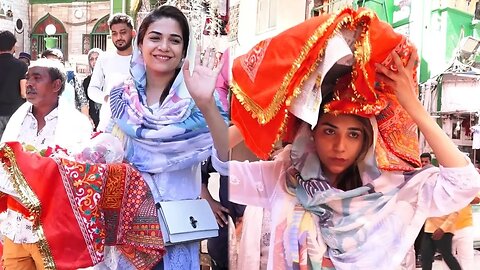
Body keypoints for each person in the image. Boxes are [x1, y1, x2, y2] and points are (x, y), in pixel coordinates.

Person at [198, 8, 480, 269]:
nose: (340, 146)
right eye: (329, 130)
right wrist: (267, 108)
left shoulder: (393, 191)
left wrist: (412, 104)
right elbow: (223, 163)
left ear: (366, 141)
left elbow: (465, 182)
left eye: (353, 134)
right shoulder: (283, 179)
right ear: (310, 134)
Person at [107, 5, 228, 270]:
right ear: (140, 44)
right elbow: (108, 152)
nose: (164, 46)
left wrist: (207, 104)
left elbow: (225, 157)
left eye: (175, 40)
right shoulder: (122, 96)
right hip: (129, 224)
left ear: (184, 50)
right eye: (155, 37)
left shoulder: (196, 98)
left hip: (176, 229)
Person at [0, 58, 92, 269]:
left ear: (56, 85)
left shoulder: (77, 124)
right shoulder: (17, 119)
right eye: (28, 78)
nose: (29, 83)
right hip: (16, 228)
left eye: (37, 78)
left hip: (53, 232)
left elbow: (80, 178)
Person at [88, 13, 135, 131]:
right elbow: (92, 89)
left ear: (133, 33)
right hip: (108, 121)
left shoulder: (142, 59)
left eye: (123, 32)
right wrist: (107, 98)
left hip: (136, 122)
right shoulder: (104, 58)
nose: (118, 37)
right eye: (114, 33)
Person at [40, 48, 90, 119]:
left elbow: (83, 102)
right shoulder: (39, 83)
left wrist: (85, 123)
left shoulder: (71, 78)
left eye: (54, 62)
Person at [0, 30, 27, 138]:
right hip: (15, 112)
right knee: (11, 147)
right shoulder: (21, 65)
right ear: (13, 47)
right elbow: (24, 93)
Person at [82, 48, 103, 129]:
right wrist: (88, 118)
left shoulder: (108, 78)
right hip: (94, 118)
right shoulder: (87, 81)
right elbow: (83, 101)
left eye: (97, 58)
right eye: (91, 59)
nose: (94, 61)